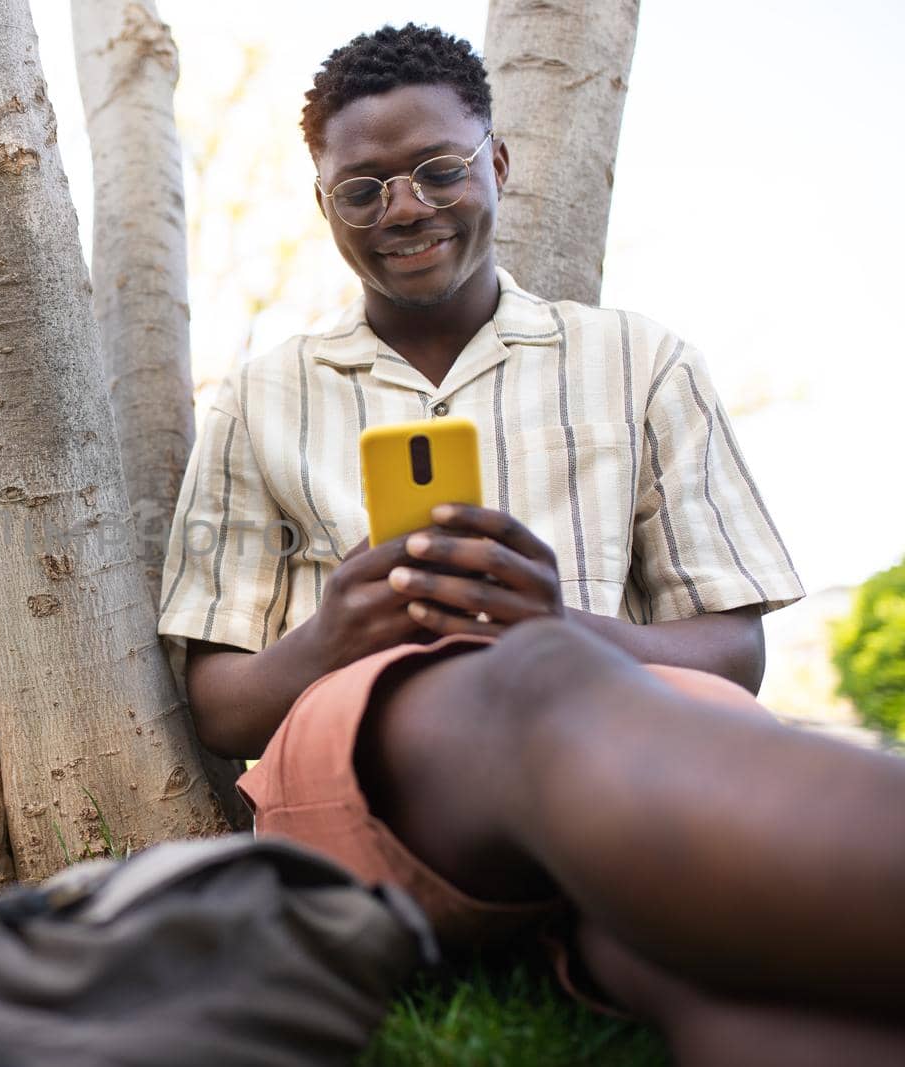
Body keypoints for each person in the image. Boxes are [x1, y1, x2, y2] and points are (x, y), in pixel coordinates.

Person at [156, 22, 902, 1062]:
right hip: (379, 776)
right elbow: (220, 698)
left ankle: (631, 935)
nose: (404, 206)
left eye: (437, 169)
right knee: (530, 676)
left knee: (683, 955)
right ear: (322, 202)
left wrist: (557, 620)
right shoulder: (262, 396)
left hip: (631, 761)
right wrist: (334, 634)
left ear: (495, 163)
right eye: (362, 187)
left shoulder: (639, 360)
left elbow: (733, 650)